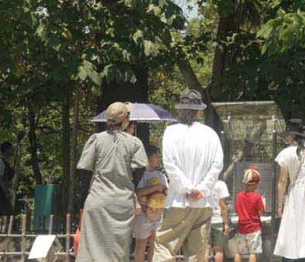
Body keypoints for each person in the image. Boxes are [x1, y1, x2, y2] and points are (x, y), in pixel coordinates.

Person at [154, 89, 224, 262]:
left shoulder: (170, 132)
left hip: (178, 200)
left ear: (180, 110)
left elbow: (169, 165)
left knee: (164, 246)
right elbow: (217, 165)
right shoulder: (210, 134)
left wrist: (186, 189)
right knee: (197, 253)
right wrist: (202, 189)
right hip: (202, 202)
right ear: (199, 111)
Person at [76, 102, 149, 262]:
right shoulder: (134, 143)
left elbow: (84, 171)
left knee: (91, 249)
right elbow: (141, 168)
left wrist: (88, 194)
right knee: (117, 250)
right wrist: (130, 184)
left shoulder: (95, 140)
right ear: (127, 119)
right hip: (121, 202)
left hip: (97, 200)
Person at [273, 119, 305, 262]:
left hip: (296, 193)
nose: (286, 137)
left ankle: (294, 256)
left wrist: (280, 204)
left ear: (293, 135)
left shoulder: (287, 152)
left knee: (294, 227)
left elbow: (283, 181)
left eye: (287, 134)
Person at [134, 145, 169, 262]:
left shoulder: (161, 174)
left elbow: (166, 191)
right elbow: (137, 192)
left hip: (157, 213)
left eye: (159, 157)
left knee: (154, 242)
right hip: (143, 213)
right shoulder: (140, 173)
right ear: (148, 158)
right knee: (141, 243)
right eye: (156, 157)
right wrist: (155, 188)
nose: (159, 159)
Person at [233, 167, 265, 262]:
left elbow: (237, 210)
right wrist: (263, 203)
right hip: (254, 228)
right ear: (256, 184)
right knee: (253, 252)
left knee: (239, 252)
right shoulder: (258, 197)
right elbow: (260, 212)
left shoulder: (239, 196)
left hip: (241, 228)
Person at [210, 178, 232, 262]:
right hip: (218, 219)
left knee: (205, 249)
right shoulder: (221, 184)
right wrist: (226, 223)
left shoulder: (203, 184)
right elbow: (223, 204)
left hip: (205, 219)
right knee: (219, 250)